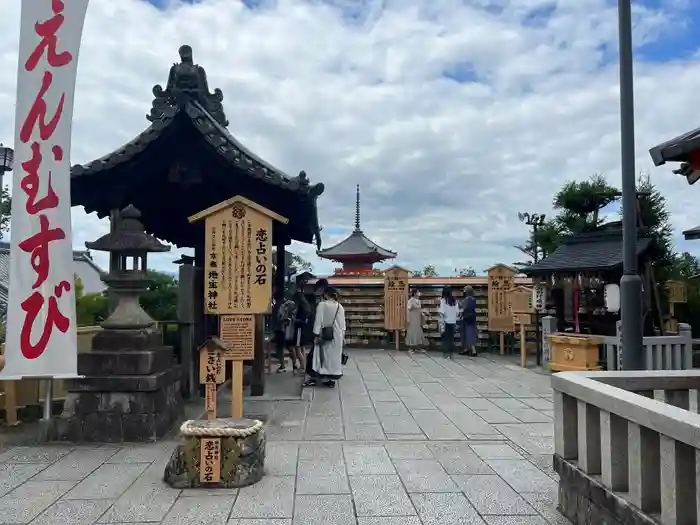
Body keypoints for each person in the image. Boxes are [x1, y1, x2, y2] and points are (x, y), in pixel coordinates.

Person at [304, 286, 346, 388]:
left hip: (324, 335)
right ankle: (331, 380)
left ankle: (316, 377)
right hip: (337, 336)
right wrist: (343, 337)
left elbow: (318, 321)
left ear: (326, 294)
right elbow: (342, 324)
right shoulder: (340, 306)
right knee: (332, 358)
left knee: (318, 356)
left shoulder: (322, 305)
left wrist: (316, 334)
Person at [305, 278, 328, 378]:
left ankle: (313, 372)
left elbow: (316, 316)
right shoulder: (319, 299)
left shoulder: (321, 301)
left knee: (315, 352)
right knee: (317, 351)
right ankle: (315, 371)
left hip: (320, 330)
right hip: (323, 329)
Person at [276, 295, 297, 373]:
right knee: (291, 348)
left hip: (282, 330)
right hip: (290, 330)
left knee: (280, 349)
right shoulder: (293, 305)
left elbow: (279, 317)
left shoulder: (281, 306)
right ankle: (294, 365)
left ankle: (282, 366)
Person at [291, 290, 311, 374]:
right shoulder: (306, 307)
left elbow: (300, 320)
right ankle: (304, 365)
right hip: (304, 330)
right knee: (303, 348)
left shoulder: (301, 308)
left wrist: (293, 319)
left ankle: (303, 367)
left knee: (297, 348)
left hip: (299, 329)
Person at [439, 287, 459, 359]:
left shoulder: (443, 300)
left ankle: (446, 353)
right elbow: (457, 312)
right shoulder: (454, 301)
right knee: (451, 338)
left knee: (445, 339)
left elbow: (442, 312)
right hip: (453, 322)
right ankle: (450, 354)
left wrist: (441, 322)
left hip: (446, 322)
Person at [405, 288, 427, 353]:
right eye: (418, 292)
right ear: (414, 293)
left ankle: (418, 347)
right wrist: (408, 319)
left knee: (418, 333)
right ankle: (411, 348)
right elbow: (408, 309)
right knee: (412, 332)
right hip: (412, 319)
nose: (419, 293)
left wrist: (423, 313)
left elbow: (419, 309)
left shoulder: (419, 301)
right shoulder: (410, 300)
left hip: (418, 319)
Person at [460, 285, 478, 356]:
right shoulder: (474, 299)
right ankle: (471, 349)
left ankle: (471, 350)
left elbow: (463, 307)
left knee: (465, 334)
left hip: (466, 318)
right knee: (472, 333)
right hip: (473, 318)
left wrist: (459, 304)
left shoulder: (466, 300)